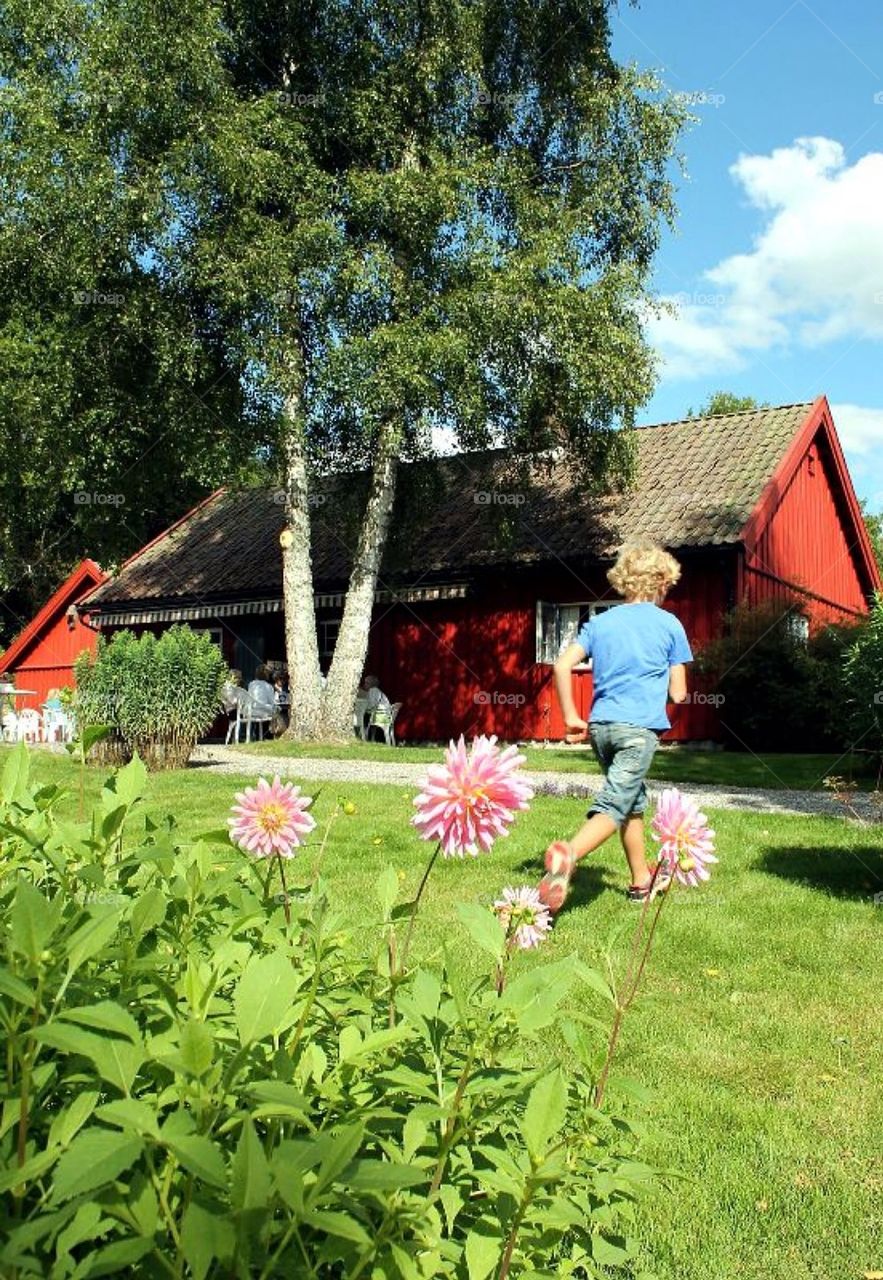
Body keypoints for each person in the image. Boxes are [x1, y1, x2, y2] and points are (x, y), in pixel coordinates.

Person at [538, 540, 692, 911]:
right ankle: (569, 855)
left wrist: (572, 716)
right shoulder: (670, 625)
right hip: (638, 730)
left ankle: (641, 880)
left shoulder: (601, 622)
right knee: (615, 801)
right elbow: (680, 693)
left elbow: (561, 666)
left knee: (631, 801)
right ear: (661, 582)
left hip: (602, 727)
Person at [358, 674, 390, 740]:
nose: (364, 685)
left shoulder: (373, 690)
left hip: (381, 717)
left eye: (367, 683)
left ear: (372, 684)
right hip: (386, 716)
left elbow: (370, 706)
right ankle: (366, 736)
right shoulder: (376, 691)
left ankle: (360, 736)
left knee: (359, 716)